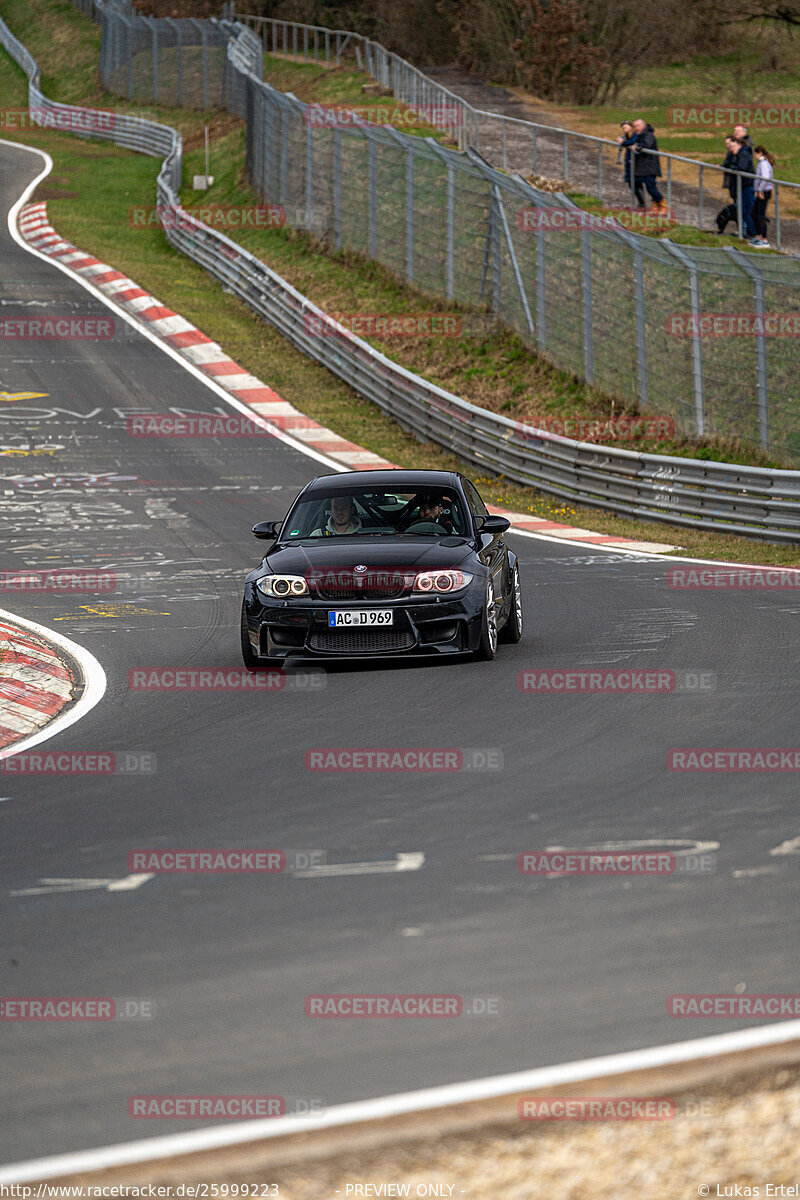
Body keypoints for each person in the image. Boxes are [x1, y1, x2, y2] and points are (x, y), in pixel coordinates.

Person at [631, 118, 667, 211]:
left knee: (650, 186)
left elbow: (647, 143)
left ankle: (662, 204)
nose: (636, 128)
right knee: (635, 183)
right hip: (642, 167)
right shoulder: (638, 135)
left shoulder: (648, 134)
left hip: (650, 166)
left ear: (644, 126)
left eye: (638, 126)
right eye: (635, 126)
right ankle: (652, 204)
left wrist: (638, 146)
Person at [728, 135, 757, 240]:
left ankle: (753, 232)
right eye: (730, 146)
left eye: (733, 146)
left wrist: (733, 167)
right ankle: (749, 231)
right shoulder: (737, 154)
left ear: (739, 145)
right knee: (742, 209)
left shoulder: (743, 153)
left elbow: (741, 167)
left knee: (748, 209)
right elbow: (731, 165)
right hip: (742, 185)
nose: (731, 148)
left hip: (747, 186)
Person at [751, 145, 774, 247]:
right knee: (754, 213)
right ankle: (758, 236)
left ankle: (764, 240)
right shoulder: (762, 163)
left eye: (755, 154)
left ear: (759, 153)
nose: (754, 156)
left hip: (764, 192)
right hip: (762, 191)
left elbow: (765, 177)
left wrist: (760, 190)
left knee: (760, 215)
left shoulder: (764, 163)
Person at [716, 135, 738, 233]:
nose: (727, 146)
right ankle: (741, 229)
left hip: (737, 183)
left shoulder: (736, 153)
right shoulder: (730, 152)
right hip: (732, 183)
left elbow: (735, 166)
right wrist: (722, 165)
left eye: (729, 144)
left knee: (740, 207)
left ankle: (744, 230)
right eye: (726, 144)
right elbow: (729, 164)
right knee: (736, 204)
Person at [617, 120, 636, 193]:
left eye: (626, 127)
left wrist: (623, 142)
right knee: (630, 182)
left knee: (635, 183)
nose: (625, 129)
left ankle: (641, 202)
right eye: (623, 128)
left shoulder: (635, 134)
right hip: (629, 159)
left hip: (634, 160)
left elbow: (632, 142)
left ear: (631, 127)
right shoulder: (627, 135)